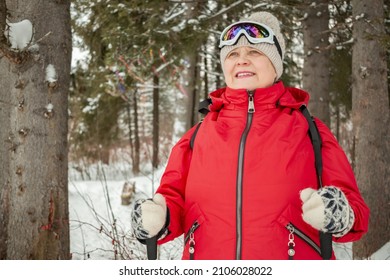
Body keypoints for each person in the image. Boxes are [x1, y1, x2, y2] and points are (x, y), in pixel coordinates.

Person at [131, 11, 369, 260]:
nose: (241, 60)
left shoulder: (311, 131)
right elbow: (172, 200)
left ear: (276, 65)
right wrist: (159, 218)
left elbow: (356, 211)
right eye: (233, 54)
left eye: (254, 52)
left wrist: (339, 213)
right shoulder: (197, 136)